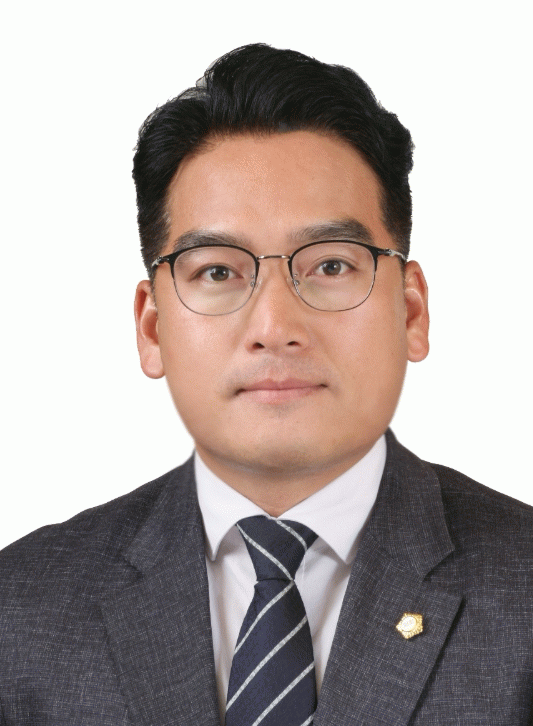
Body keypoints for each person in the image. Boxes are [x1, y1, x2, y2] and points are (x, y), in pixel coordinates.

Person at [0, 43, 532, 726]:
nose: (275, 327)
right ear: (153, 327)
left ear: (410, 312)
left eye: (331, 266)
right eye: (218, 272)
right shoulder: (21, 612)